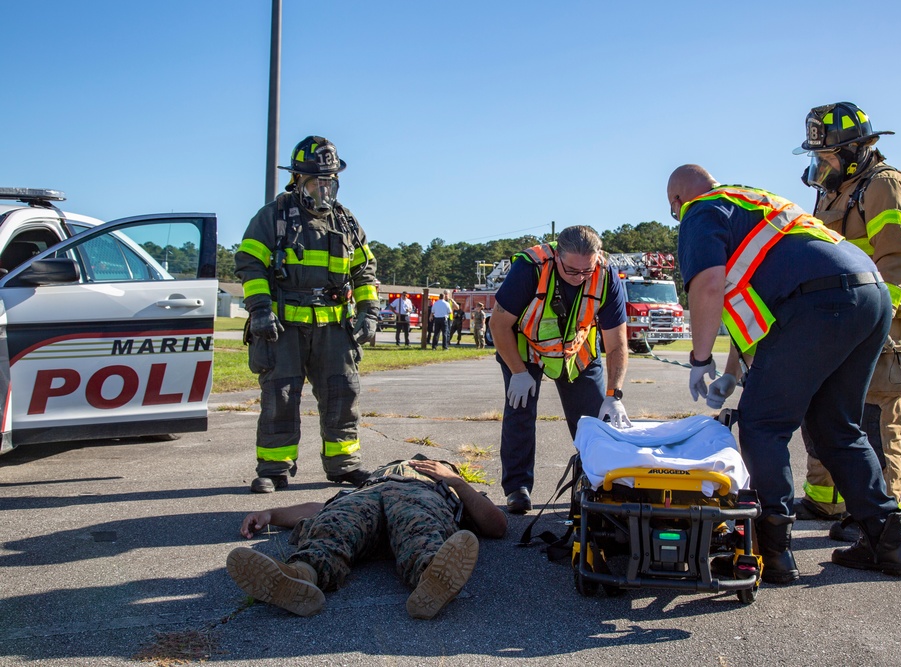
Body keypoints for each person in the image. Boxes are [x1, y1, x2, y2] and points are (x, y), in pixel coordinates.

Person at [668, 164, 901, 583]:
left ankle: (773, 549)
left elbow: (707, 287)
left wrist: (699, 359)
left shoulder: (700, 210)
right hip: (871, 297)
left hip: (819, 302)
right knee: (838, 427)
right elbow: (749, 308)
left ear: (677, 200)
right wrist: (731, 370)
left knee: (763, 424)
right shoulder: (756, 204)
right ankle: (889, 542)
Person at [792, 103, 901, 543]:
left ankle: (880, 526)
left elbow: (898, 266)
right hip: (840, 332)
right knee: (826, 417)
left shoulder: (884, 187)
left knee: (874, 427)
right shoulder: (835, 192)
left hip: (880, 338)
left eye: (825, 157)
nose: (819, 166)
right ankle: (825, 500)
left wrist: (864, 327)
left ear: (853, 151)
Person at [236, 136, 380, 494]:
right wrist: (260, 309)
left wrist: (369, 312)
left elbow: (365, 271)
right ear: (298, 180)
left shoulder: (346, 222)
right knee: (280, 396)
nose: (324, 188)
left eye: (330, 180)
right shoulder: (273, 217)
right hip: (282, 327)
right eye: (316, 181)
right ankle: (273, 469)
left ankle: (344, 465)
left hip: (333, 327)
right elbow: (249, 263)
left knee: (342, 394)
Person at [226, 455, 507, 619]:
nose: (414, 461)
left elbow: (497, 525)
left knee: (418, 523)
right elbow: (322, 509)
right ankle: (301, 576)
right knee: (336, 523)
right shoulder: (370, 482)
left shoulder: (447, 486)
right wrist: (271, 514)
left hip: (417, 496)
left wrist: (454, 479)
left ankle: (431, 577)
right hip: (365, 499)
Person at [489, 225, 632, 514]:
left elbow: (617, 343)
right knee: (520, 410)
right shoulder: (530, 268)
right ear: (557, 257)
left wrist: (614, 394)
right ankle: (517, 488)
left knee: (594, 421)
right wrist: (518, 372)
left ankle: (595, 484)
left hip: (576, 352)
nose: (580, 278)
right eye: (571, 271)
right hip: (525, 349)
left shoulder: (606, 276)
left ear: (598, 257)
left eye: (586, 271)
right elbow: (498, 325)